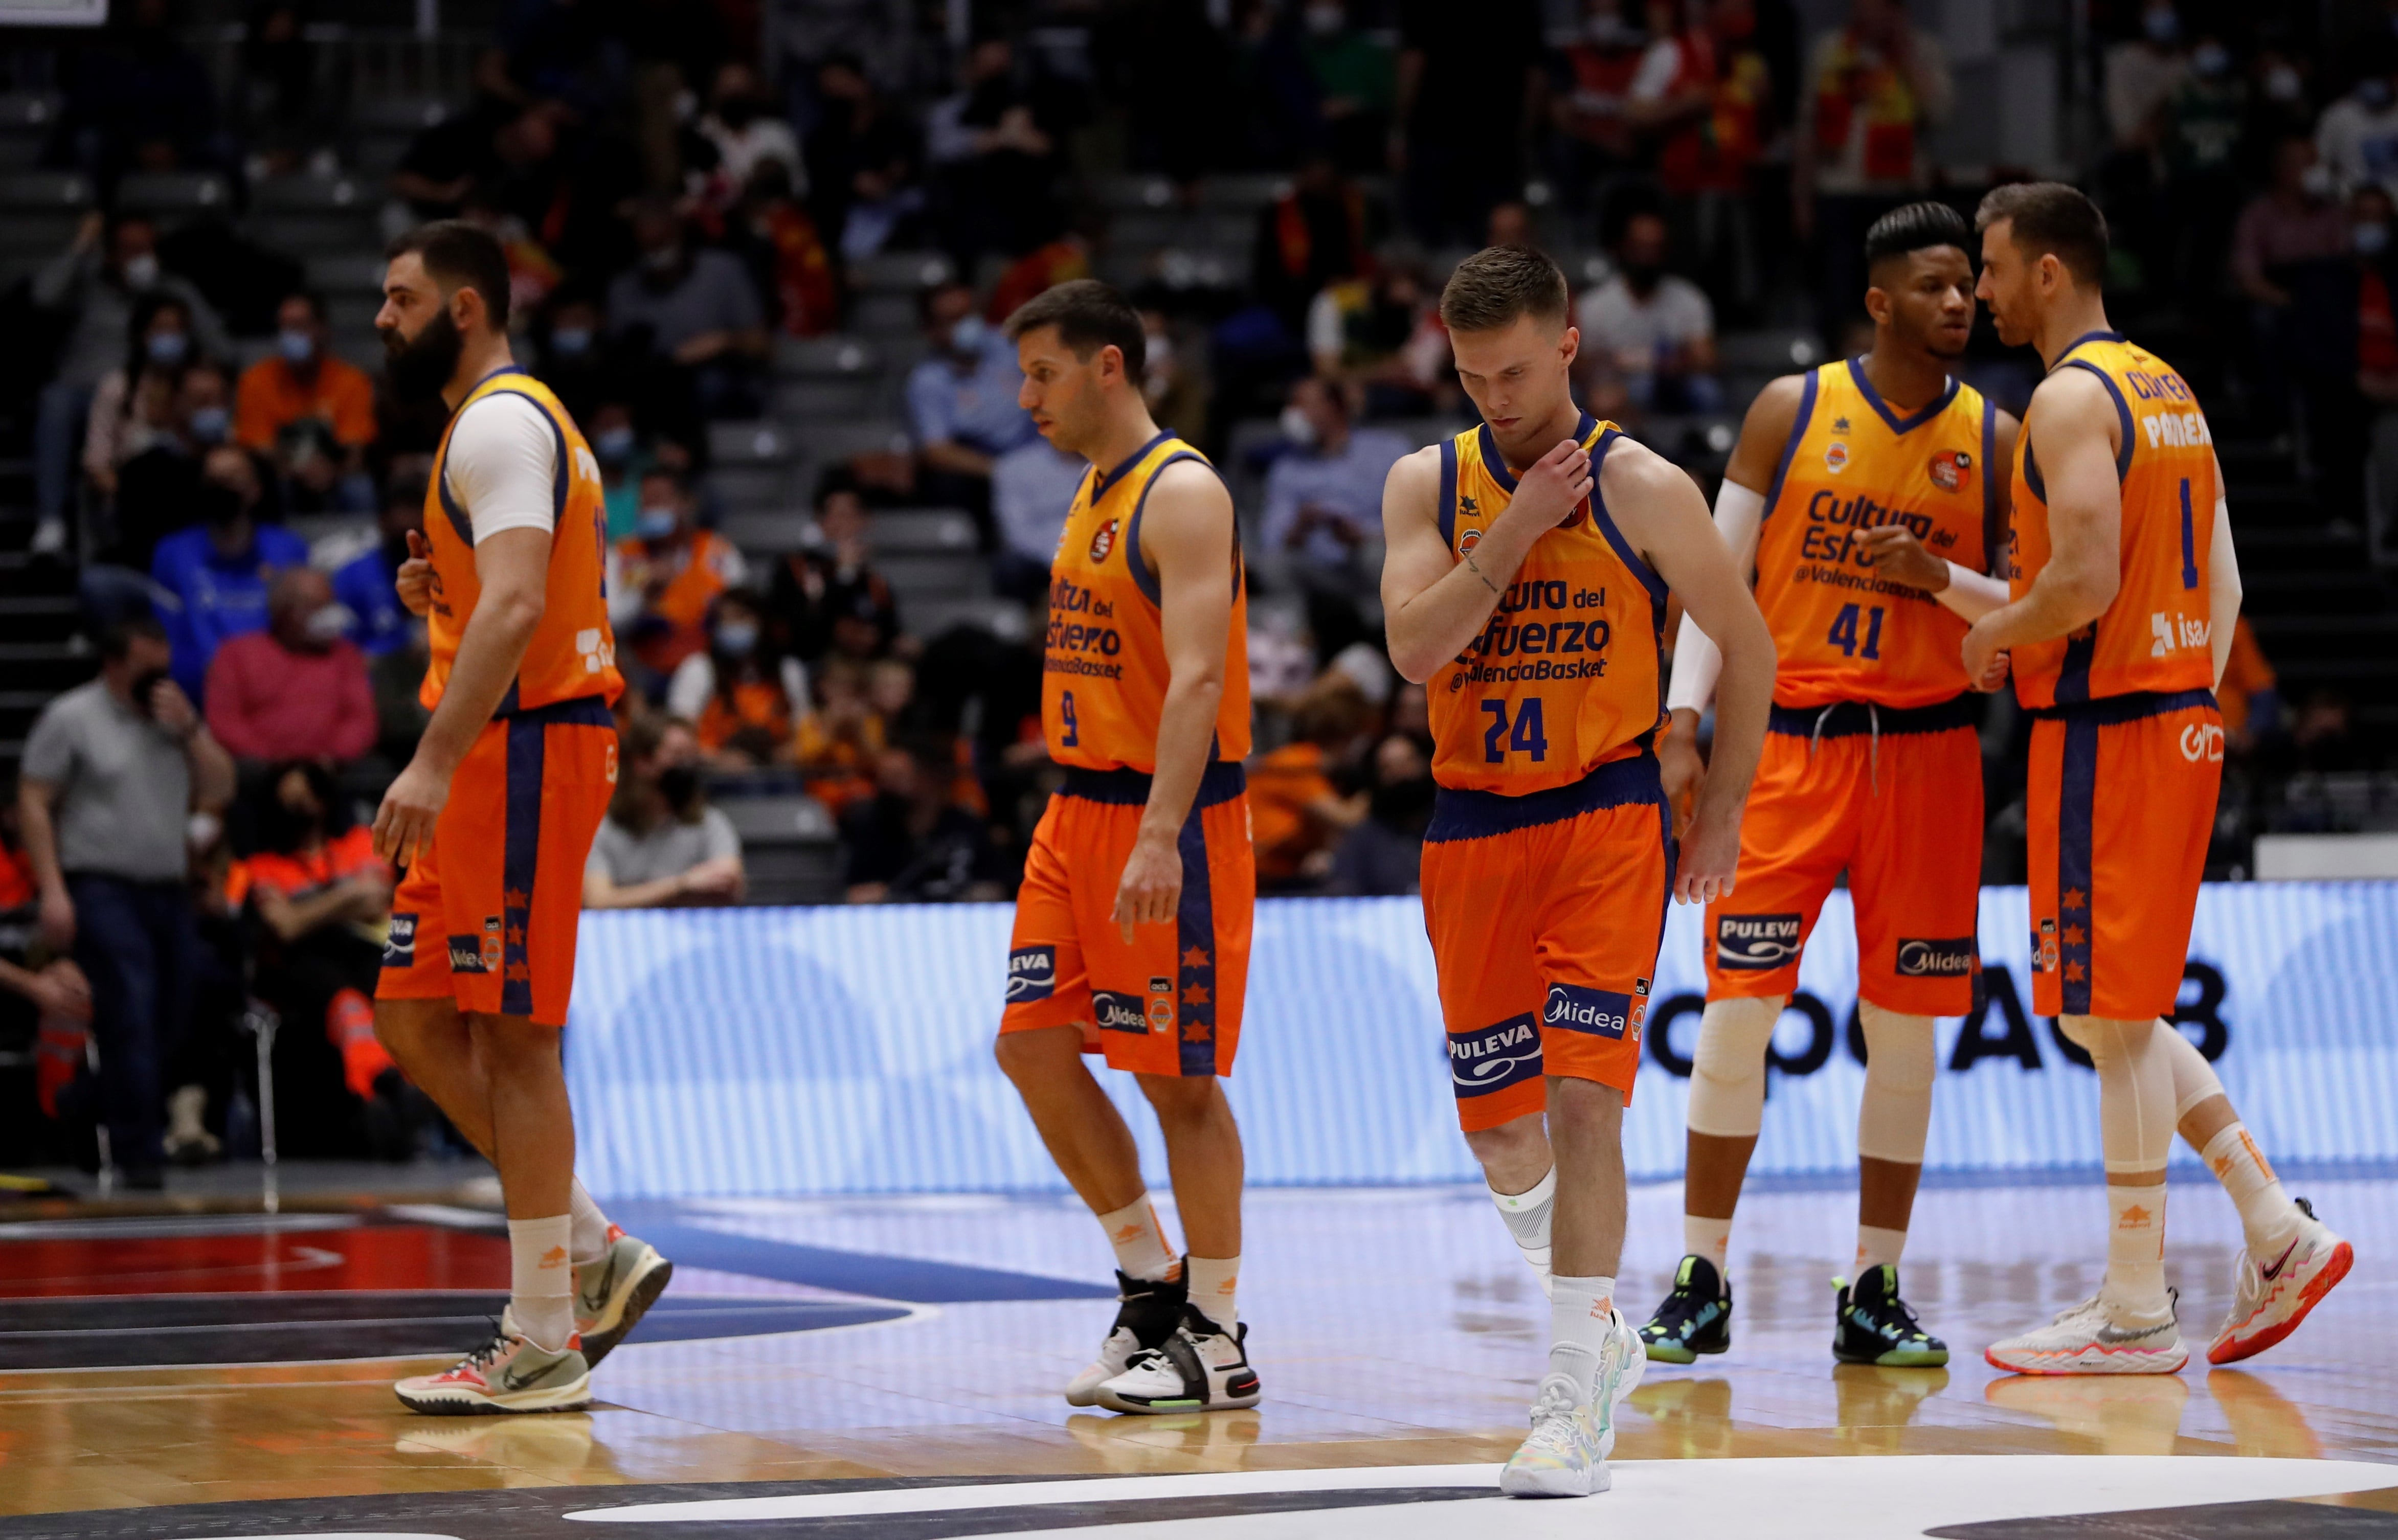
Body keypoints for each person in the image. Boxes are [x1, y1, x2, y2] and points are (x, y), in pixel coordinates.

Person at [1377, 244, 1772, 1497]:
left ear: (1565, 347)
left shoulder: (1643, 483)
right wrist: (1514, 528)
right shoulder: (1421, 484)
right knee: (1500, 1133)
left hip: (1603, 817)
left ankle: (1564, 1397)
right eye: (1467, 375)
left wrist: (1714, 807)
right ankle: (1594, 1322)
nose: (1491, 396)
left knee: (1582, 1101)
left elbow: (1749, 647)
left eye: (1509, 371)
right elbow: (1409, 650)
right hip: (1469, 826)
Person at [1966, 183, 2349, 1373]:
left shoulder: (2066, 397)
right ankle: (2269, 1226)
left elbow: (2078, 580)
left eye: (1987, 266)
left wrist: (1993, 633)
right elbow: (2223, 584)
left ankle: (2133, 1307)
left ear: (2043, 271)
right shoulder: (2165, 388)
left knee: (2109, 1015)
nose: (1975, 289)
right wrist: (2188, 693)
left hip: (2107, 725)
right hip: (2175, 714)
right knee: (2102, 1009)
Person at [1633, 202, 2011, 1374]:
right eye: (1933, 284)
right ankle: (1699, 1274)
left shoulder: (1997, 440)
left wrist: (1933, 575)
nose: (1957, 301)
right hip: (1786, 744)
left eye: (1966, 284)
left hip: (1929, 753)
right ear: (1878, 299)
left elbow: (2029, 607)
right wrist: (1682, 720)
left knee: (1904, 1036)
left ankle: (1873, 1288)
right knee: (1734, 1014)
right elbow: (1713, 578)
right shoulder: (1789, 410)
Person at [367, 221, 673, 1414]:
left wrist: (432, 761)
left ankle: (540, 1333)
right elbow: (495, 605)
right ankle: (591, 1243)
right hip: (503, 744)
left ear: (462, 309)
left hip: (522, 750)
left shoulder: (498, 419)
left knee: (515, 1039)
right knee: (411, 1016)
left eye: (398, 300)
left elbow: (516, 612)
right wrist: (439, 602)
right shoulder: (489, 427)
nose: (380, 320)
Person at [993, 280, 1262, 1416]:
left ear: (1109, 366)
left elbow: (1199, 677)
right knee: (1033, 1048)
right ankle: (1149, 1282)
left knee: (1175, 1081)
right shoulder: (1089, 492)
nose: (1026, 398)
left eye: (1043, 372)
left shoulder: (1183, 492)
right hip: (1075, 814)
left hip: (1171, 820)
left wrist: (1160, 833)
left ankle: (1218, 1330)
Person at [17, 617, 236, 1189]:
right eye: (147, 666)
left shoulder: (173, 718)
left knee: (176, 1015)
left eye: (164, 664)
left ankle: (86, 1100)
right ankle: (142, 1157)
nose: (158, 677)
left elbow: (223, 786)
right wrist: (54, 888)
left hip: (166, 887)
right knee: (132, 1010)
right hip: (100, 885)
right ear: (115, 664)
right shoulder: (73, 717)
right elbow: (34, 800)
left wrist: (191, 729)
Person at [1791, 0, 1953, 340]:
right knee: (1841, 298)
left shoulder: (1922, 50)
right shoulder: (1830, 51)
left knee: (1903, 298)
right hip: (1839, 190)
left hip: (1901, 192)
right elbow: (1808, 127)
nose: (1871, 13)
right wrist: (1801, 197)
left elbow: (1938, 112)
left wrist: (1904, 56)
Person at [1260, 375, 1412, 659]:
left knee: (1378, 554)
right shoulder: (1287, 468)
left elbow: (1416, 518)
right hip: (1320, 573)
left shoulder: (1386, 450)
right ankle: (1292, 653)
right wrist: (1301, 526)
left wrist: (1362, 534)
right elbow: (1273, 541)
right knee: (1275, 564)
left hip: (1369, 559)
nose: (1293, 414)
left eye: (1303, 404)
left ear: (1335, 407)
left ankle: (1395, 637)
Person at [148, 445, 311, 699]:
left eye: (232, 479)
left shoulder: (289, 549)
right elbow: (167, 639)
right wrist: (212, 672)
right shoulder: (173, 554)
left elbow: (302, 629)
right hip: (202, 690)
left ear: (256, 490)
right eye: (214, 481)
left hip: (278, 692)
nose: (222, 489)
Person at [204, 568, 377, 766]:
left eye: (331, 604)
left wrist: (325, 760)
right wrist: (276, 763)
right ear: (288, 613)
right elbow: (225, 723)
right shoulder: (235, 656)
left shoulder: (346, 656)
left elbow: (361, 721)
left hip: (332, 772)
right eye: (319, 607)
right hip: (258, 772)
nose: (331, 615)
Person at [904, 280, 1041, 530]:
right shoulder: (927, 381)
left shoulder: (1008, 346)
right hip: (985, 464)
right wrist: (1004, 471)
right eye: (953, 319)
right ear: (931, 331)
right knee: (947, 484)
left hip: (1038, 446)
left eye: (969, 315)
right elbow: (937, 451)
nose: (968, 326)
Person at [582, 716, 746, 909]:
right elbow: (599, 901)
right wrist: (683, 885)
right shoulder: (603, 827)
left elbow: (729, 882)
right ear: (642, 762)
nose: (686, 766)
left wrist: (635, 897)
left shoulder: (708, 821)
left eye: (691, 757)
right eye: (677, 755)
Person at [612, 466, 748, 683]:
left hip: (707, 671)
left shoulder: (719, 554)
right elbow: (610, 623)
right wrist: (643, 597)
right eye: (646, 502)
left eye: (660, 500)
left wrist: (719, 609)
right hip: (639, 672)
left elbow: (745, 613)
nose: (651, 509)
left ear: (686, 503)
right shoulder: (625, 556)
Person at [841, 735, 1006, 903]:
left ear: (928, 777)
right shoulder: (873, 830)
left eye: (897, 777)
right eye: (882, 779)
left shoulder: (967, 828)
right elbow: (855, 892)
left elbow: (995, 887)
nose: (887, 787)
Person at [665, 588, 809, 768]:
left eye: (741, 617)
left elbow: (806, 731)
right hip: (712, 778)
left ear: (762, 621)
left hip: (778, 777)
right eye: (725, 620)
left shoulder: (788, 671)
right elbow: (678, 736)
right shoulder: (698, 669)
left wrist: (790, 753)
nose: (732, 626)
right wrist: (717, 760)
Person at [335, 473, 429, 658]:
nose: (407, 522)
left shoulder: (447, 571)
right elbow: (342, 645)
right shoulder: (353, 574)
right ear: (383, 519)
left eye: (415, 512)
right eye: (400, 512)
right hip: (374, 669)